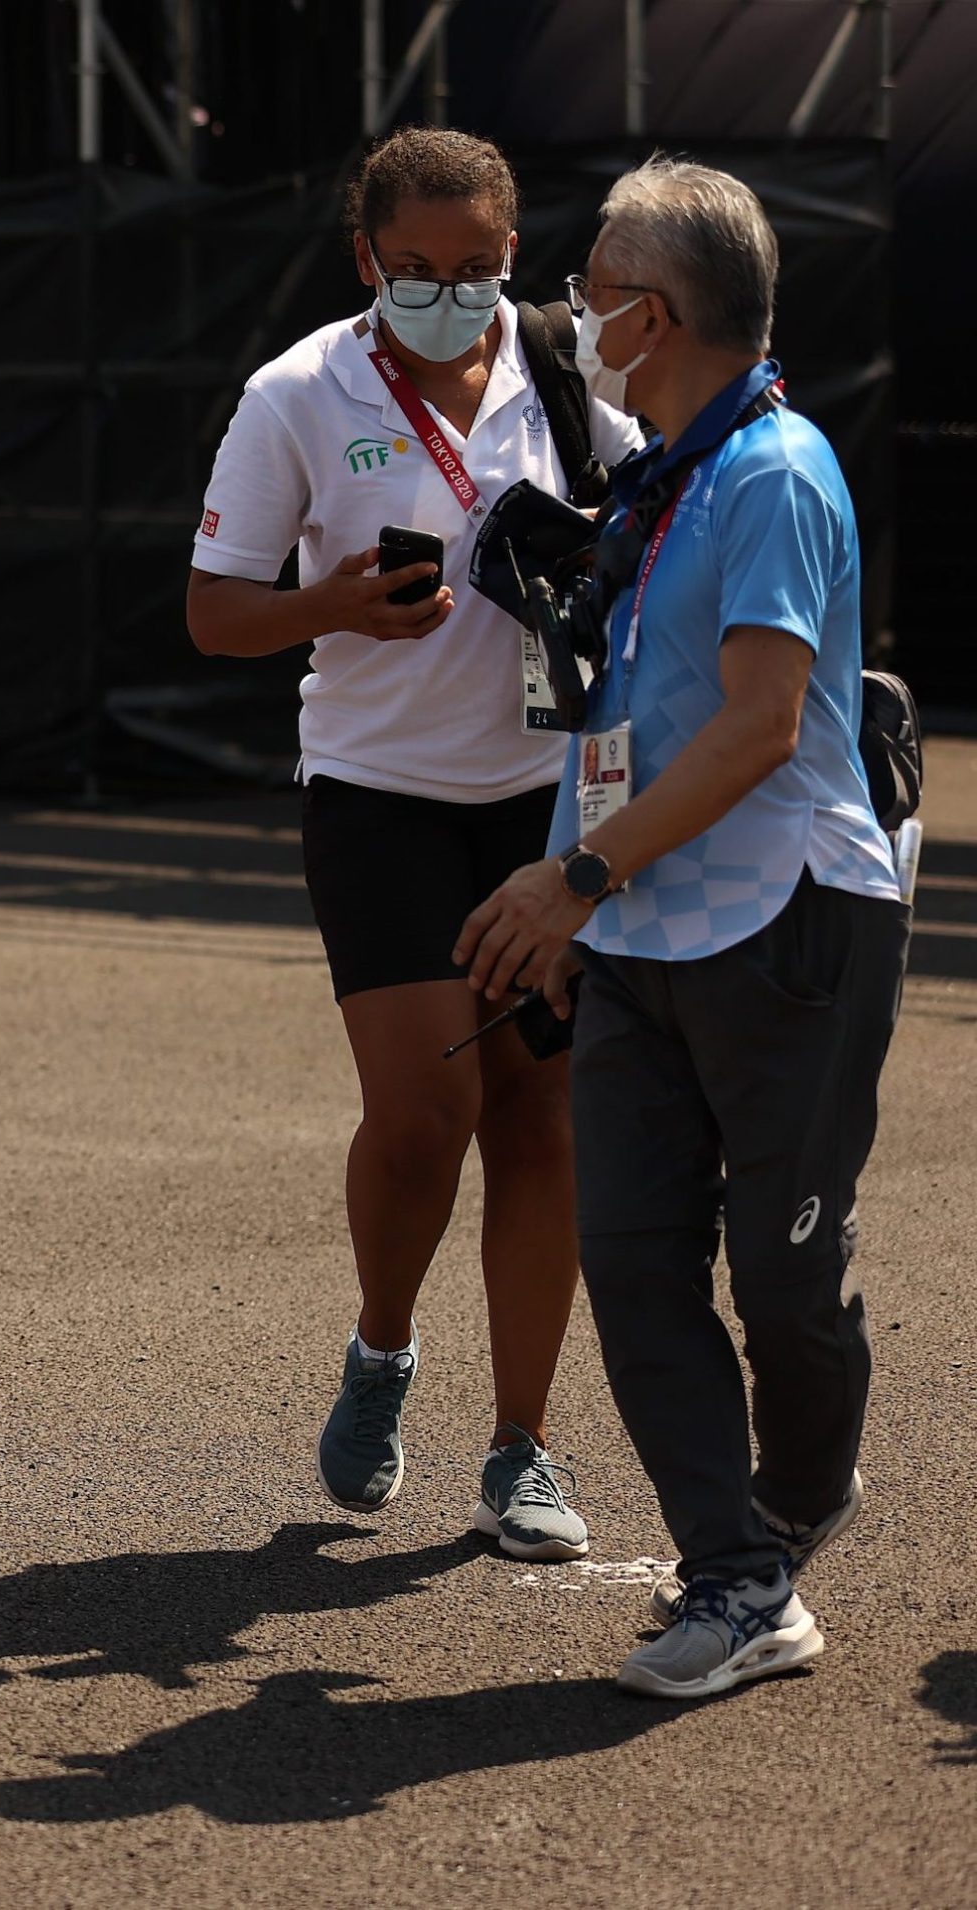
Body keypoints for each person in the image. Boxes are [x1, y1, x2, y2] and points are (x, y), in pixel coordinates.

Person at [456, 159, 907, 1699]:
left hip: (786, 917)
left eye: (593, 282)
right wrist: (572, 895)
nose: (572, 307)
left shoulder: (773, 469)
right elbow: (626, 727)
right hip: (645, 930)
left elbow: (763, 726)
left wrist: (570, 883)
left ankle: (793, 1498)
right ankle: (738, 1578)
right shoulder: (657, 478)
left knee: (786, 1283)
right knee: (636, 1256)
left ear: (651, 313)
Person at [186, 129, 641, 1559]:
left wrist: (590, 568)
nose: (450, 294)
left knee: (543, 1116)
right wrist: (332, 603)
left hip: (548, 797)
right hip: (378, 791)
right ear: (365, 258)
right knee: (426, 1109)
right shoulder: (299, 392)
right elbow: (211, 611)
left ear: (516, 256)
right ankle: (382, 1347)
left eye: (478, 269)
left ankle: (525, 1448)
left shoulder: (573, 375)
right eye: (417, 270)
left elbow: (654, 529)